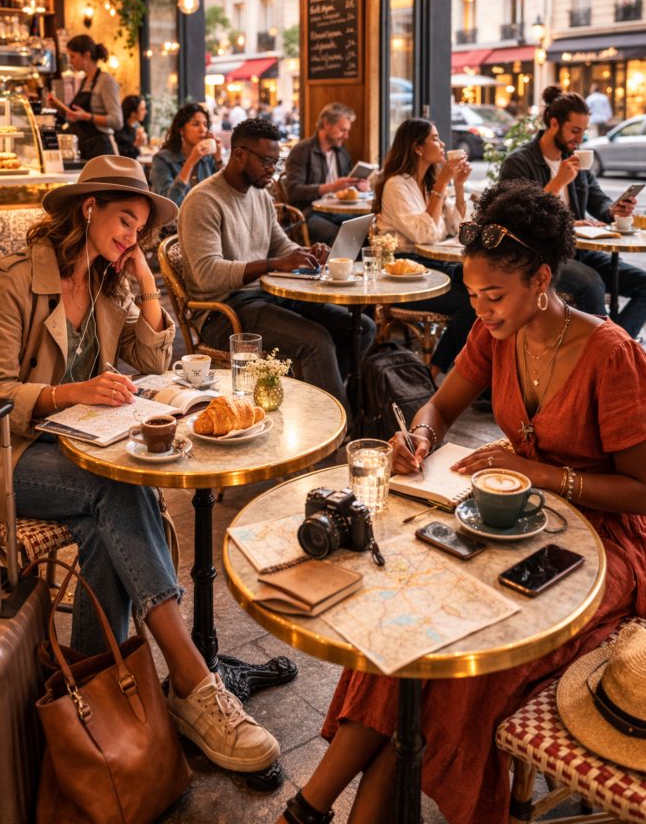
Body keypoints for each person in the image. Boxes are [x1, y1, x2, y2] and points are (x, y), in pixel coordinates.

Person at [276, 179, 646, 824]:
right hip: (520, 523)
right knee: (412, 633)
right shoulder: (496, 332)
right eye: (472, 295)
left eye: (494, 295)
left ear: (541, 278)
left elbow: (643, 493)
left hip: (606, 546)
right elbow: (442, 407)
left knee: (464, 667)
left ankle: (325, 813)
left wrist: (537, 473)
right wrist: (418, 436)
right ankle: (310, 806)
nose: (482, 310)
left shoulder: (610, 355)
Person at [0, 154, 280, 774]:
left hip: (78, 453)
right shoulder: (15, 280)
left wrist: (147, 282)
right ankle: (192, 682)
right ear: (89, 209)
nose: (133, 237)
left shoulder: (111, 281)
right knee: (119, 491)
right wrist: (68, 394)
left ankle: (97, 702)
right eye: (126, 222)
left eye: (140, 229)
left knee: (105, 527)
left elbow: (152, 356)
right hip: (8, 457)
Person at [177, 118, 375, 418]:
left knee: (361, 327)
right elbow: (207, 275)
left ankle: (323, 409)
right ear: (239, 154)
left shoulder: (260, 194)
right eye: (266, 160)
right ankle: (338, 434)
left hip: (265, 296)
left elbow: (280, 245)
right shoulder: (203, 200)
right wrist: (273, 264)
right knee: (317, 341)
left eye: (276, 160)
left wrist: (304, 253)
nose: (273, 168)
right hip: (223, 311)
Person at [500, 84, 646, 339]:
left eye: (583, 132)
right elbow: (518, 222)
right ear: (554, 124)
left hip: (581, 250)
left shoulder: (577, 160)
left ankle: (614, 348)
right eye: (575, 131)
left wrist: (615, 210)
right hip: (542, 257)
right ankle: (603, 353)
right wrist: (558, 183)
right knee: (592, 284)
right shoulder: (518, 162)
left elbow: (598, 201)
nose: (579, 139)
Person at [373, 118, 476, 381]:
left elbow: (456, 227)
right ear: (417, 148)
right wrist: (442, 184)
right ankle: (442, 373)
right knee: (470, 303)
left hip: (428, 264)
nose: (442, 144)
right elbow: (424, 234)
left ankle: (450, 371)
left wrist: (458, 185)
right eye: (435, 138)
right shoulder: (397, 185)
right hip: (402, 273)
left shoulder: (428, 182)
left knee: (480, 288)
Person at [284, 102, 369, 246]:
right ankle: (345, 268)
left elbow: (347, 183)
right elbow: (293, 192)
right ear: (327, 124)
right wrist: (332, 187)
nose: (346, 136)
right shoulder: (302, 150)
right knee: (343, 238)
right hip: (311, 213)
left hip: (341, 211)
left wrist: (358, 185)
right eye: (342, 130)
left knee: (371, 232)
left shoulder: (341, 151)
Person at [61, 35, 123, 161]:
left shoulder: (106, 81)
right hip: (85, 150)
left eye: (73, 56)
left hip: (102, 152)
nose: (70, 61)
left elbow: (117, 121)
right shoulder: (84, 81)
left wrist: (86, 116)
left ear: (86, 55)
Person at [150, 103, 222, 208]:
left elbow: (224, 195)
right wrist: (190, 163)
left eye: (205, 125)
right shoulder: (162, 159)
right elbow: (168, 205)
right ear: (181, 129)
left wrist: (218, 159)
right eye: (196, 124)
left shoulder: (207, 157)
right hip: (175, 223)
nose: (203, 130)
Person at [114, 94, 147, 159]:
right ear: (133, 113)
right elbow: (123, 158)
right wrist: (137, 146)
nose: (145, 112)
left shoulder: (137, 126)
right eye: (142, 109)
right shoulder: (120, 131)